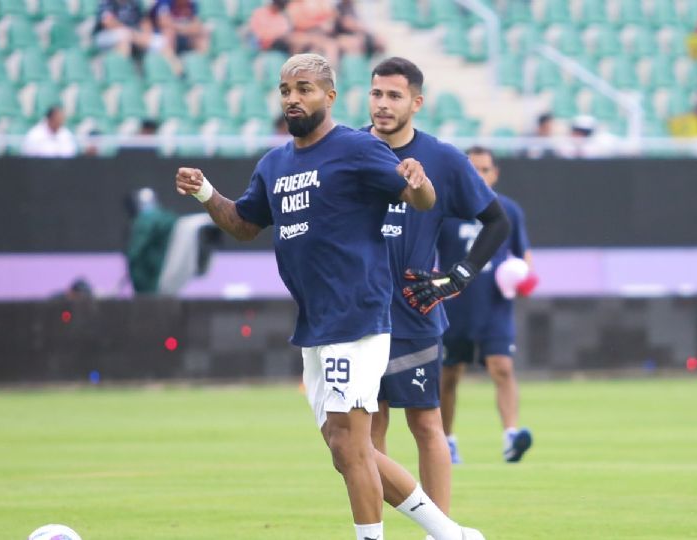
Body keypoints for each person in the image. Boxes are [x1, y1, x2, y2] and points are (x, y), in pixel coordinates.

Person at [175, 53, 485, 540]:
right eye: (285, 90)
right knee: (345, 449)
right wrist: (206, 193)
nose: (293, 98)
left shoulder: (356, 149)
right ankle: (452, 534)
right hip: (315, 324)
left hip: (357, 315)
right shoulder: (275, 164)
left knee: (352, 444)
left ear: (330, 96)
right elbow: (243, 224)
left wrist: (419, 182)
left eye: (304, 89)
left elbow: (417, 198)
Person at [365, 57, 510, 516]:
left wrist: (460, 275)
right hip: (357, 314)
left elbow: (496, 221)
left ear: (416, 102)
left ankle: (440, 530)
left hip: (414, 312)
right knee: (366, 434)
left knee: (427, 426)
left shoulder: (444, 159)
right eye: (376, 94)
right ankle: (375, 529)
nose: (383, 104)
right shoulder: (347, 149)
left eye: (394, 95)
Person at [438, 146, 537, 464]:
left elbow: (523, 256)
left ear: (494, 174)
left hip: (494, 303)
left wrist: (525, 279)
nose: (479, 176)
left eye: (485, 170)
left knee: (502, 367)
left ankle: (511, 436)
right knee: (450, 372)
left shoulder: (508, 210)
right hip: (454, 304)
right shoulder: (446, 210)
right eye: (473, 169)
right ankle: (447, 441)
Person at [94, 0, 164, 56]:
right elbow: (108, 23)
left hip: (133, 35)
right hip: (104, 36)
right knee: (124, 36)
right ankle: (122, 71)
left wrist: (146, 35)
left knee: (159, 41)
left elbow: (144, 21)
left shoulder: (134, 2)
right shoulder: (106, 1)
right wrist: (132, 33)